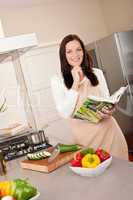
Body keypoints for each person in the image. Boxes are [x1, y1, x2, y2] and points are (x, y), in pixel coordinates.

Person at [51, 34, 128, 160]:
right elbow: (64, 113)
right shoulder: (57, 80)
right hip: (85, 140)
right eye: (69, 51)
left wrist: (110, 110)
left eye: (78, 49)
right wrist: (75, 83)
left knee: (123, 172)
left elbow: (107, 100)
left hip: (110, 132)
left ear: (83, 51)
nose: (75, 55)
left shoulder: (96, 73)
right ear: (63, 55)